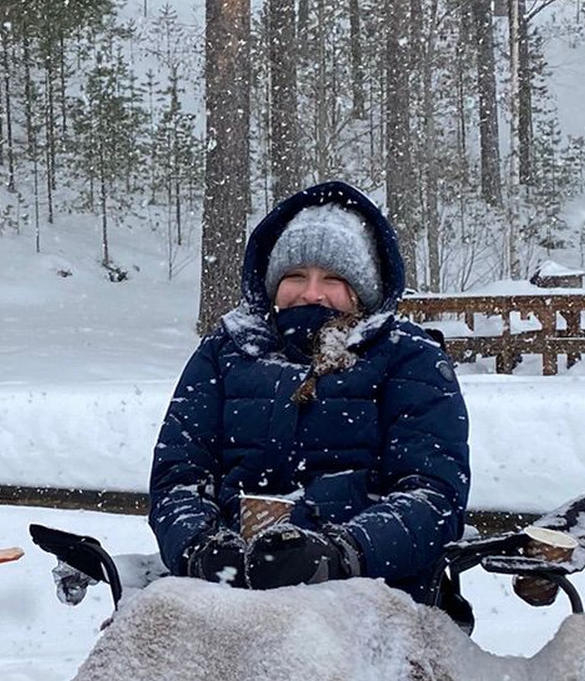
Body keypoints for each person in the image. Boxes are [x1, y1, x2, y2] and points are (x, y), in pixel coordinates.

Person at [149, 179, 471, 599]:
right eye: (295, 275)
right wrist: (199, 546)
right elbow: (178, 479)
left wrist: (343, 552)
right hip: (227, 594)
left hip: (369, 594)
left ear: (365, 288)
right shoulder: (225, 350)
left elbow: (433, 496)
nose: (311, 293)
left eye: (333, 278)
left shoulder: (407, 355)